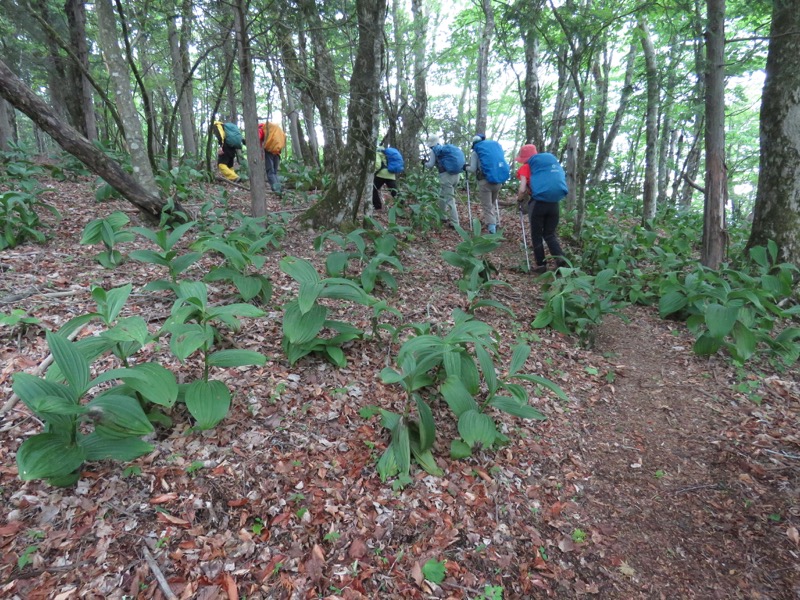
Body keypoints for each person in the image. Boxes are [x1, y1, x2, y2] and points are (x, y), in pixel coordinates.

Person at [515, 144, 567, 274]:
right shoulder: (546, 166)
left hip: (538, 203)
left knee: (536, 234)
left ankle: (541, 265)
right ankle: (560, 260)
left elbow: (522, 189)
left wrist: (520, 199)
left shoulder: (526, 167)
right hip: (554, 203)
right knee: (549, 234)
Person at [466, 134, 502, 234]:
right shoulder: (493, 151)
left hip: (485, 182)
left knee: (487, 207)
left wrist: (465, 168)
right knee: (492, 204)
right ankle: (494, 223)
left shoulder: (475, 153)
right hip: (498, 181)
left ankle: (492, 230)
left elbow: (473, 169)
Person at [424, 135, 461, 228]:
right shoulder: (445, 150)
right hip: (457, 175)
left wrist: (425, 163)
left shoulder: (434, 151)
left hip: (446, 176)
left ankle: (455, 223)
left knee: (450, 199)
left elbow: (430, 165)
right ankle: (442, 216)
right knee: (442, 196)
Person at [258, 122, 286, 193]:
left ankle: (277, 190)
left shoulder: (262, 128)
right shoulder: (275, 129)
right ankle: (279, 189)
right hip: (277, 152)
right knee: (274, 172)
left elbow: (258, 137)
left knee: (270, 172)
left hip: (269, 151)